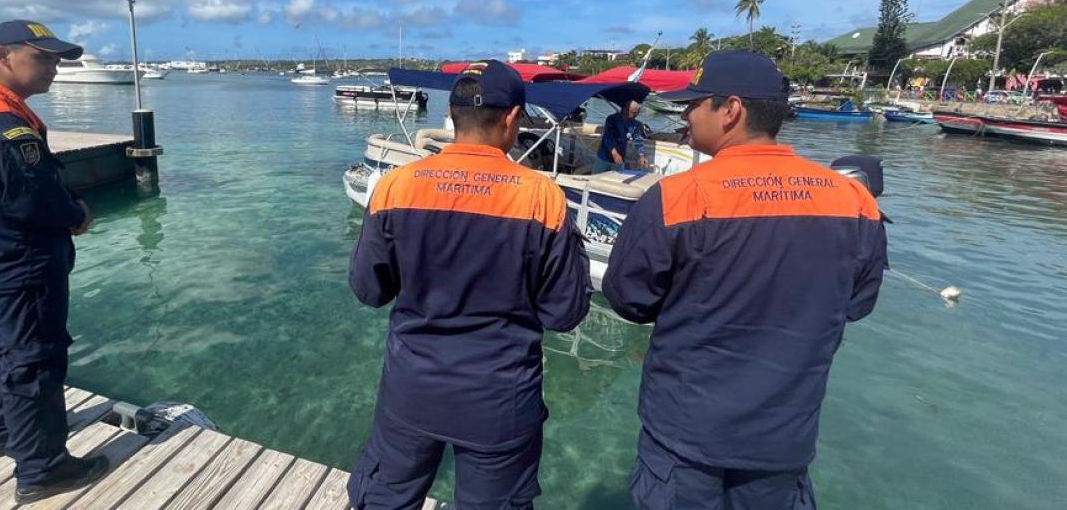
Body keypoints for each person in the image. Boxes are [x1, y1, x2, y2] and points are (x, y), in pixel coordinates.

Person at [602, 50, 887, 510]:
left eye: (694, 103)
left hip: (685, 438)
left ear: (730, 110)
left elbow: (628, 299)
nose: (685, 114)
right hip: (783, 440)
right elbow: (857, 303)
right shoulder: (854, 200)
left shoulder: (677, 197)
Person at [347, 60, 592, 510]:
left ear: (453, 115)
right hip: (500, 400)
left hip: (411, 392)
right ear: (513, 118)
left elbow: (369, 290)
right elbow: (565, 312)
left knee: (384, 500)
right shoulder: (541, 198)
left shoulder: (395, 187)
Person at [0, 20, 107, 504]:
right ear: (5, 56)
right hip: (22, 256)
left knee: (12, 347)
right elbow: (31, 196)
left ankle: (5, 433)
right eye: (45, 58)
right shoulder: (0, 120)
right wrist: (75, 213)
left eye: (56, 59)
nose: (54, 68)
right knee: (36, 357)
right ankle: (43, 468)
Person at [596, 99, 644, 172]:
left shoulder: (636, 124)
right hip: (604, 156)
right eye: (633, 112)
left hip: (620, 157)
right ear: (625, 109)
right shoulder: (611, 119)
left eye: (637, 113)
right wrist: (614, 153)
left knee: (616, 179)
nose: (635, 115)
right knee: (596, 177)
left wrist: (641, 155)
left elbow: (638, 139)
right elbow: (607, 137)